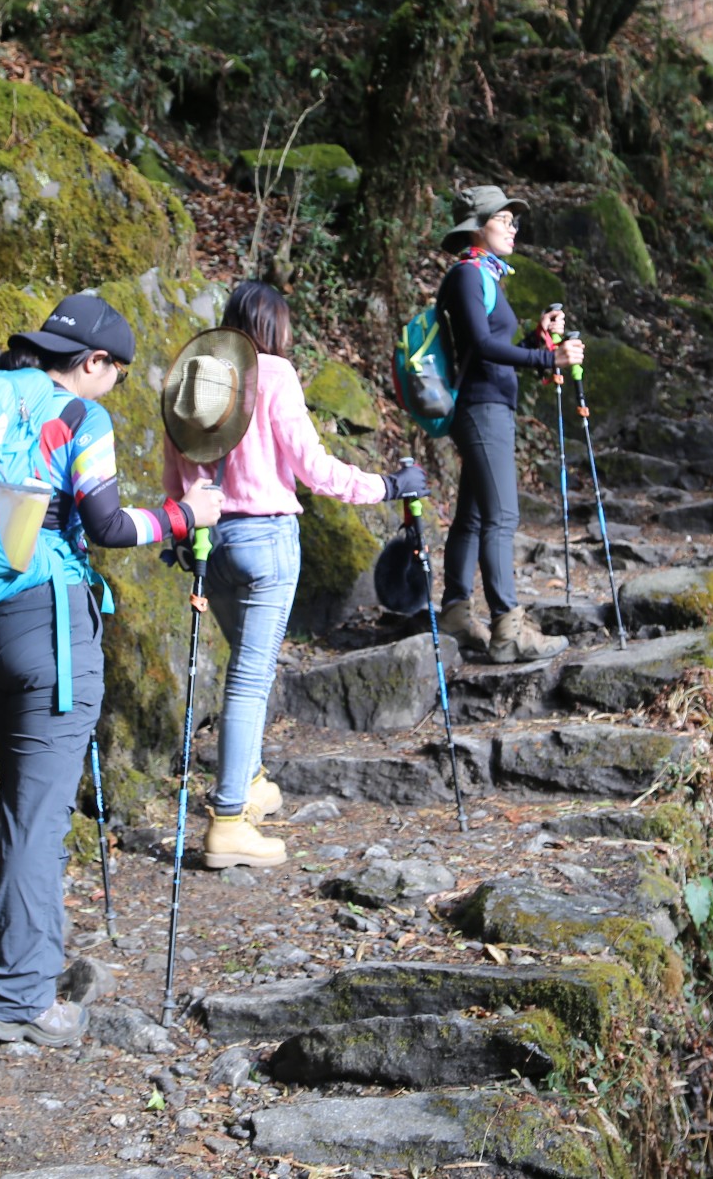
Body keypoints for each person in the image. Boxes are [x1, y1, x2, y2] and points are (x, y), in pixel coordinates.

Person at [0, 293, 223, 1048]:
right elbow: (106, 525)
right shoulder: (79, 416)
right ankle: (21, 999)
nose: (114, 389)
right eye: (117, 374)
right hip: (47, 628)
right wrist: (183, 517)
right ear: (93, 363)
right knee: (36, 817)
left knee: (21, 803)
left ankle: (32, 953)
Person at [163, 281, 426, 868]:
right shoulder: (274, 375)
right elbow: (312, 466)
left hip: (211, 541)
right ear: (274, 328)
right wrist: (386, 486)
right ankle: (229, 820)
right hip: (266, 539)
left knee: (242, 671)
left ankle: (251, 782)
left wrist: (184, 531)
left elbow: (175, 474)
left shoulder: (194, 374)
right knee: (250, 680)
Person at [435, 185, 584, 662]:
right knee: (502, 518)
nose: (514, 227)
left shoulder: (485, 276)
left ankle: (456, 614)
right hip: (482, 408)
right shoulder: (466, 275)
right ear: (479, 225)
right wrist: (547, 355)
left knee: (475, 515)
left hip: (487, 404)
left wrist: (536, 338)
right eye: (505, 219)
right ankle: (508, 629)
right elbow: (479, 346)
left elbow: (495, 346)